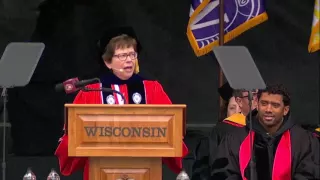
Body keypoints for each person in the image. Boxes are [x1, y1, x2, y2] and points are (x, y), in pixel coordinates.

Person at [55, 26, 189, 180]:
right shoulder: (92, 91)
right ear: (107, 62)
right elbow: (73, 134)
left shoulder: (151, 88)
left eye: (132, 54)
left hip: (146, 169)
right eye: (123, 55)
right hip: (100, 170)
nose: (129, 60)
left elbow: (172, 127)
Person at [211, 84, 320, 180]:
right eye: (264, 103)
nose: (268, 109)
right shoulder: (235, 139)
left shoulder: (304, 141)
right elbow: (224, 174)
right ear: (257, 105)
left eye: (275, 105)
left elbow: (309, 174)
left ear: (285, 110)